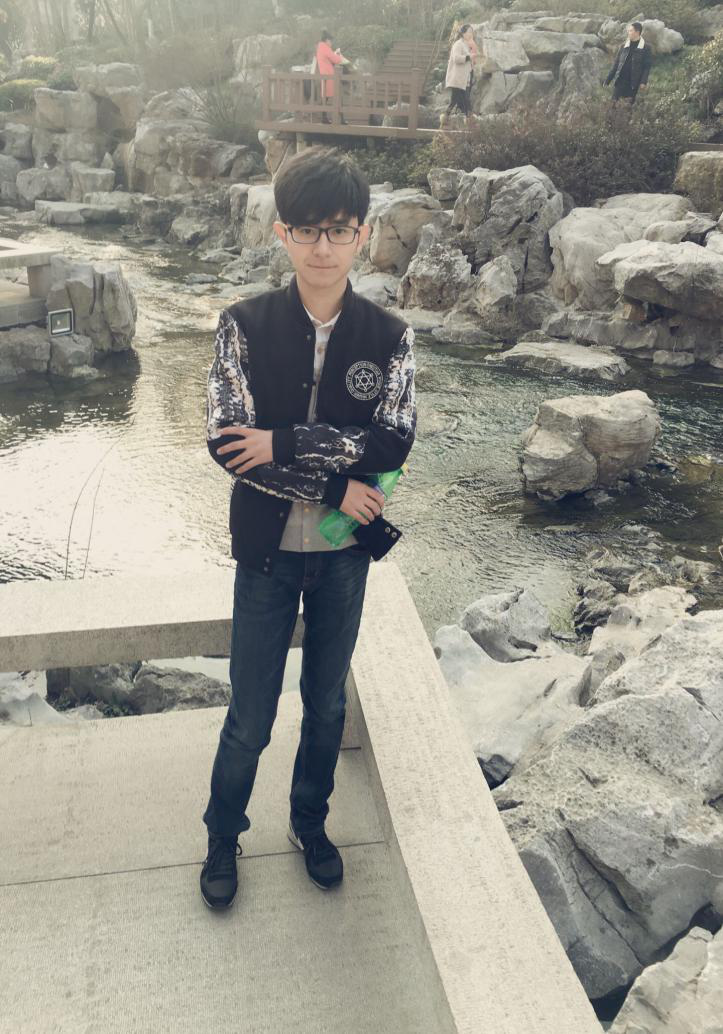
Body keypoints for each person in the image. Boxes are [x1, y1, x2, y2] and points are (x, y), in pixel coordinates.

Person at [200, 147, 417, 910]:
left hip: (343, 557)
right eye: (306, 230)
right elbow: (229, 445)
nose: (322, 247)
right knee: (249, 716)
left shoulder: (390, 336)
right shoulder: (242, 325)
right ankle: (222, 835)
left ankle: (308, 823)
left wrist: (284, 442)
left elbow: (393, 443)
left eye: (339, 230)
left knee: (325, 706)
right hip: (266, 554)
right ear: (281, 234)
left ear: (362, 234)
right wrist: (332, 482)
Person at [604, 22, 652, 106]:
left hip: (633, 83)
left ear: (637, 32)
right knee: (613, 105)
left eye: (630, 30)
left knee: (627, 107)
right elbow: (616, 64)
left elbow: (646, 67)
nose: (628, 32)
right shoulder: (623, 46)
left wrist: (643, 82)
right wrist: (608, 80)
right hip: (620, 81)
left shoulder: (646, 48)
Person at [440, 23, 474, 128]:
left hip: (464, 79)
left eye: (472, 32)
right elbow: (456, 58)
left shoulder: (466, 45)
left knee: (456, 101)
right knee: (465, 101)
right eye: (469, 32)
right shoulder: (458, 44)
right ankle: (470, 123)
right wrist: (468, 57)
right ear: (463, 33)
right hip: (458, 79)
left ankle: (445, 119)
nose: (471, 34)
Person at [315, 28, 350, 123]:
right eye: (331, 41)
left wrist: (335, 54)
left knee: (326, 98)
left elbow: (330, 57)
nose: (331, 43)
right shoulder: (325, 48)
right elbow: (336, 60)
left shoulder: (321, 47)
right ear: (327, 40)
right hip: (330, 77)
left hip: (326, 77)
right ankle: (341, 119)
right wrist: (339, 55)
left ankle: (325, 118)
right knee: (338, 97)